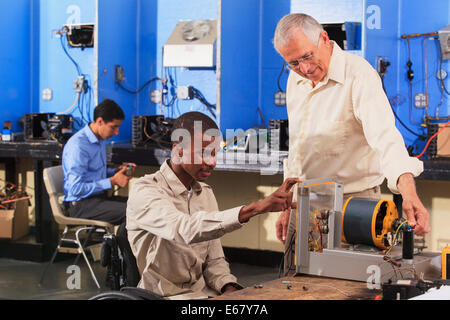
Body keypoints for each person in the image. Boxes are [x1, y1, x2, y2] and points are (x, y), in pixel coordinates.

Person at [272, 13, 430, 245]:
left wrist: (409, 192)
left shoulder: (359, 76)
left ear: (324, 38)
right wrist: (288, 203)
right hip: (303, 203)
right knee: (294, 280)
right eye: (293, 63)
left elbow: (385, 138)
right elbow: (297, 148)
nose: (304, 68)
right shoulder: (295, 80)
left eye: (307, 56)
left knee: (347, 280)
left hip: (352, 205)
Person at [126, 111, 298, 299]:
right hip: (162, 296)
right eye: (203, 153)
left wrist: (228, 288)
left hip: (203, 294)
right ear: (178, 150)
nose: (212, 162)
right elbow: (183, 229)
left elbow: (215, 259)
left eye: (215, 153)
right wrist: (255, 208)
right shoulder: (144, 191)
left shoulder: (205, 193)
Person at [62, 98, 135, 225]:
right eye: (114, 127)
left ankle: (120, 244)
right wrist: (112, 181)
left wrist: (115, 172)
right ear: (100, 121)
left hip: (98, 199)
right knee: (132, 213)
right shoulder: (78, 146)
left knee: (141, 206)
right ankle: (117, 245)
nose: (117, 132)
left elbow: (93, 173)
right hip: (81, 205)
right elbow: (76, 189)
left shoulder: (99, 140)